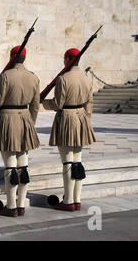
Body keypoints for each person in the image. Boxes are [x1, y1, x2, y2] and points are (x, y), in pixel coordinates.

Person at [0, 46, 40, 217]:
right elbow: (35, 106)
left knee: (10, 167)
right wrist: (29, 123)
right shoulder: (33, 77)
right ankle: (21, 205)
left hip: (7, 119)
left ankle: (11, 206)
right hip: (25, 119)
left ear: (11, 57)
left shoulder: (6, 76)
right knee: (23, 166)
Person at [41, 48, 96, 211]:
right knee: (77, 161)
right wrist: (85, 120)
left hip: (66, 118)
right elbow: (89, 104)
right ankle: (76, 199)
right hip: (81, 117)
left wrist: (42, 102)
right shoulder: (86, 79)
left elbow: (58, 103)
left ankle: (68, 202)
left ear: (67, 59)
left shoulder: (63, 79)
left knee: (67, 162)